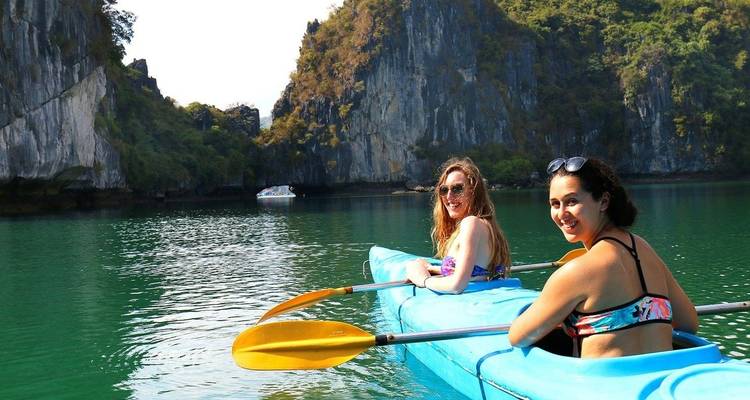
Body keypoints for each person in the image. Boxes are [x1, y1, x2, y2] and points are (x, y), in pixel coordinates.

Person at [508, 157, 698, 357]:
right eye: (555, 204)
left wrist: (567, 321)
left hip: (605, 384)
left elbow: (517, 337)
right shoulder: (643, 249)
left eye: (572, 201)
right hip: (661, 376)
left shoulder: (576, 272)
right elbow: (688, 323)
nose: (562, 213)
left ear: (604, 202)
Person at [406, 157, 511, 294]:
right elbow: (476, 271)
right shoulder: (486, 225)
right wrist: (432, 268)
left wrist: (423, 280)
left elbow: (458, 285)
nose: (449, 196)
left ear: (473, 191)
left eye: (457, 189)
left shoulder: (471, 223)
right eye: (444, 190)